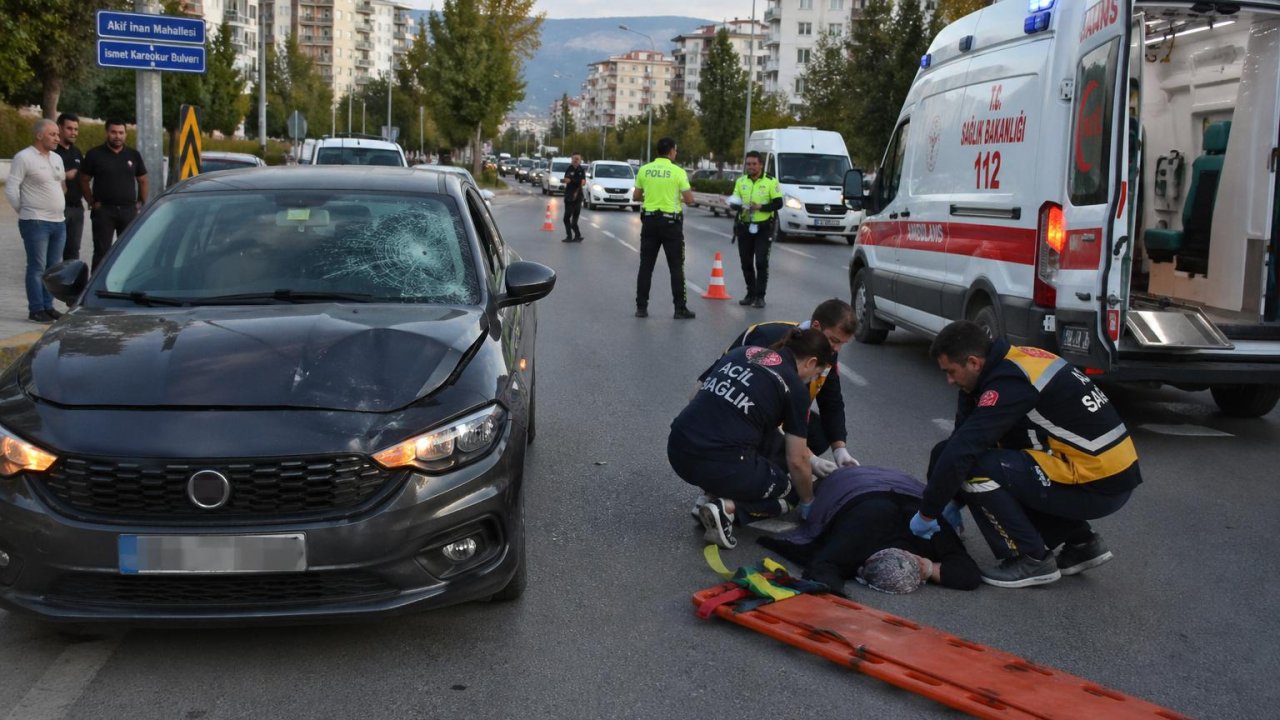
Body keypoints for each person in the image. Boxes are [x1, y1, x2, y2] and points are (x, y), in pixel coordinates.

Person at [911, 320, 1142, 588]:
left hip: (1099, 485)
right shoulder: (1012, 362)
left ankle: (1032, 559)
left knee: (977, 468)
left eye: (950, 372)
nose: (949, 381)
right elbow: (959, 440)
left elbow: (963, 452)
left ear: (973, 362)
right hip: (1104, 472)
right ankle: (1082, 543)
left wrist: (928, 513)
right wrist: (951, 500)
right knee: (992, 458)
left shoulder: (1009, 383)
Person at [668, 327, 832, 549]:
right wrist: (808, 501)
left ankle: (710, 495)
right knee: (789, 490)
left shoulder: (744, 352)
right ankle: (727, 508)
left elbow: (695, 395)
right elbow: (796, 460)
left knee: (749, 435)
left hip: (678, 448)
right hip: (717, 464)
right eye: (816, 374)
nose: (812, 379)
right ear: (811, 362)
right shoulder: (794, 387)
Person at [758, 465, 980, 594]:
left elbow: (969, 575)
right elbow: (822, 569)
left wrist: (929, 568)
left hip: (886, 485)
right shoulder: (855, 540)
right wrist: (930, 568)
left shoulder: (930, 533)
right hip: (849, 484)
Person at [723, 299, 858, 463]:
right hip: (739, 414)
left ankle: (771, 472)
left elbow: (832, 401)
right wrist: (806, 457)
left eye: (842, 344)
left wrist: (840, 449)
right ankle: (740, 472)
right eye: (834, 340)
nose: (836, 349)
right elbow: (749, 403)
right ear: (816, 326)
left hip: (773, 417)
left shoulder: (828, 352)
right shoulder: (767, 337)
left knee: (818, 434)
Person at [5, 119, 67, 324]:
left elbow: (59, 184)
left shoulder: (57, 157)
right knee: (37, 266)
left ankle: (48, 306)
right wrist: (23, 210)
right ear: (39, 135)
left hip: (59, 221)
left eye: (58, 134)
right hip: (36, 222)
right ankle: (36, 308)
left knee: (53, 267)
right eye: (53, 134)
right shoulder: (24, 157)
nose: (57, 138)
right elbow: (12, 187)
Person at [633, 137, 695, 320]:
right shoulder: (678, 172)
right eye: (675, 150)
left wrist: (652, 198)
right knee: (676, 267)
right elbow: (690, 199)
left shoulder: (645, 170)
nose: (676, 153)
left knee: (646, 267)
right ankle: (679, 308)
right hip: (671, 225)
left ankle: (641, 307)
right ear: (671, 151)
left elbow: (637, 195)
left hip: (650, 223)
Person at [79, 119, 148, 272]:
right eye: (113, 132)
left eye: (121, 133)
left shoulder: (133, 155)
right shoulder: (94, 155)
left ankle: (125, 284)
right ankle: (96, 287)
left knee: (128, 251)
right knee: (101, 252)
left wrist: (141, 202)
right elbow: (84, 179)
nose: (117, 136)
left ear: (125, 134)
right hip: (104, 211)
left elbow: (142, 179)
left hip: (128, 211)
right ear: (107, 133)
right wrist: (91, 201)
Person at [731, 151, 783, 308]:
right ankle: (750, 293)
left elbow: (778, 203)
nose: (751, 167)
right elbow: (733, 201)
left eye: (754, 164)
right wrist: (740, 206)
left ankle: (760, 296)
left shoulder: (770, 181)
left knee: (761, 262)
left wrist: (761, 207)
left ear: (761, 165)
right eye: (748, 164)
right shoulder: (741, 182)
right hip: (744, 227)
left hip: (764, 228)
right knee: (746, 262)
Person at [53, 113, 85, 262]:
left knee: (73, 251)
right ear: (60, 128)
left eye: (76, 129)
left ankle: (69, 284)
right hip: (56, 208)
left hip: (76, 208)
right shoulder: (52, 152)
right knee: (53, 251)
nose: (73, 132)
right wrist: (66, 175)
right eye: (69, 128)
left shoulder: (77, 152)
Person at [561, 153, 587, 243]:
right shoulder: (569, 169)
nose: (575, 160)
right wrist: (567, 180)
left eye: (577, 159)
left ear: (580, 160)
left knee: (574, 221)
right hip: (569, 197)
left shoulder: (581, 170)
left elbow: (582, 182)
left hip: (578, 197)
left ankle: (577, 236)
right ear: (571, 160)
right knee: (566, 218)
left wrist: (572, 180)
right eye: (574, 159)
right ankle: (569, 236)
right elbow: (566, 179)